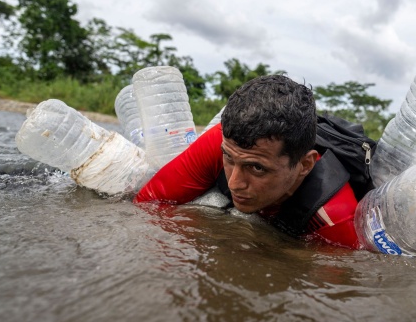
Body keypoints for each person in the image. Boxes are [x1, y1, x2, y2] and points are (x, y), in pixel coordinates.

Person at [135, 75, 361, 249]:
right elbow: (147, 206)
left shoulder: (335, 219)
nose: (234, 183)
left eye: (257, 168)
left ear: (304, 166)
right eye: (229, 159)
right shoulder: (220, 141)